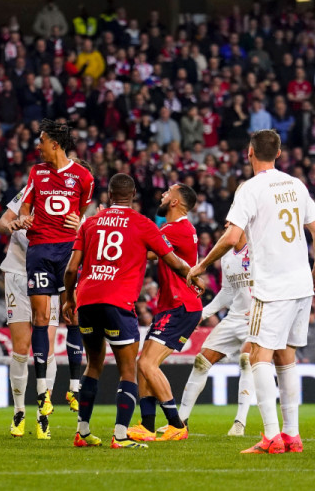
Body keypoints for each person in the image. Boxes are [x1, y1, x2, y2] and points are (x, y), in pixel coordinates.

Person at [188, 129, 315, 455]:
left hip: (273, 287)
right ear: (278, 153)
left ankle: (270, 437)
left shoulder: (250, 189)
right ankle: (292, 436)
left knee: (257, 356)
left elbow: (231, 236)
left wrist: (203, 264)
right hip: (302, 285)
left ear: (250, 152)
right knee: (286, 358)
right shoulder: (295, 184)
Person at [63, 173, 202, 449]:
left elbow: (70, 269)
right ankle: (124, 434)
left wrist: (69, 299)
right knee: (130, 369)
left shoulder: (90, 223)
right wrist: (194, 275)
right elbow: (170, 260)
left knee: (95, 365)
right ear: (134, 195)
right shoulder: (144, 225)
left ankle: (83, 431)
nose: (162, 195)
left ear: (110, 194)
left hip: (87, 300)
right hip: (119, 302)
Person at [15, 120, 94, 436]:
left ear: (56, 145)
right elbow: (25, 205)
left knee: (72, 313)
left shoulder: (84, 177)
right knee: (41, 317)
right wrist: (23, 218)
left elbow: (84, 214)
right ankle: (42, 392)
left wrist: (82, 221)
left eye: (42, 141)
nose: (38, 146)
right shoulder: (37, 173)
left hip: (69, 251)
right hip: (39, 251)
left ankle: (73, 388)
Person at [130, 184, 202, 442]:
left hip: (181, 306)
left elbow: (146, 251)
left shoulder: (176, 229)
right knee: (143, 364)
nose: (162, 194)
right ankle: (147, 425)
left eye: (167, 192)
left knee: (148, 363)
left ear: (176, 202)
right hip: (173, 305)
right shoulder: (177, 229)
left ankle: (176, 424)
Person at [176, 223, 255, 437]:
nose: (226, 227)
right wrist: (201, 314)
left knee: (246, 360)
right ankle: (181, 421)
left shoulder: (259, 248)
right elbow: (227, 293)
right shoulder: (227, 256)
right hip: (234, 317)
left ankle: (240, 423)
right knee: (202, 361)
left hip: (258, 317)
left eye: (230, 225)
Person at [0, 185, 62, 439]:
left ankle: (42, 417)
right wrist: (11, 226)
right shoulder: (32, 188)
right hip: (17, 273)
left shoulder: (71, 202)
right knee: (21, 347)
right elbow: (4, 220)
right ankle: (19, 411)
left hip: (49, 274)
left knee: (48, 347)